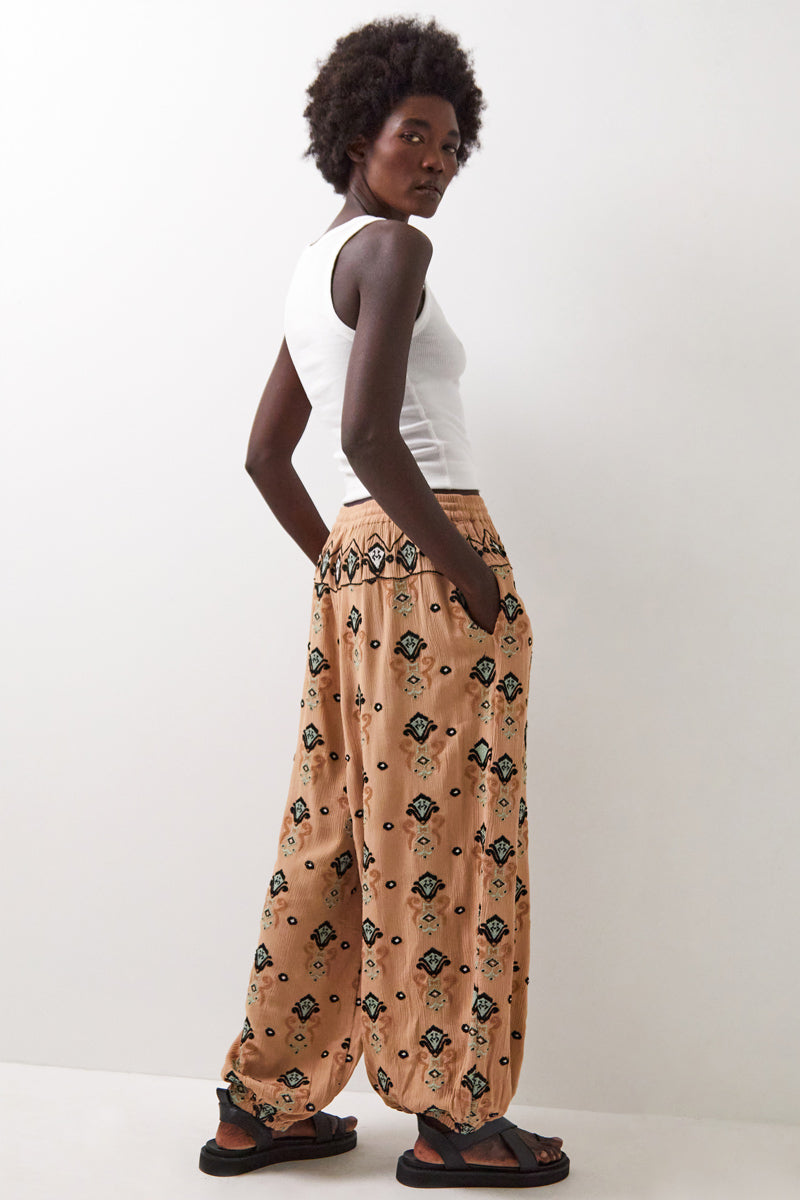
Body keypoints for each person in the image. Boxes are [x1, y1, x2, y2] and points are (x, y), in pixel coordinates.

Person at [198, 15, 568, 1188]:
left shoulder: (312, 265)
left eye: (451, 145)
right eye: (415, 134)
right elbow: (364, 434)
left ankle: (262, 1103)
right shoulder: (395, 251)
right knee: (449, 840)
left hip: (359, 576)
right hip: (430, 545)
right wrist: (463, 575)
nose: (436, 161)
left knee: (335, 834)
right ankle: (457, 1119)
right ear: (359, 129)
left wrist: (342, 566)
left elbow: (267, 457)